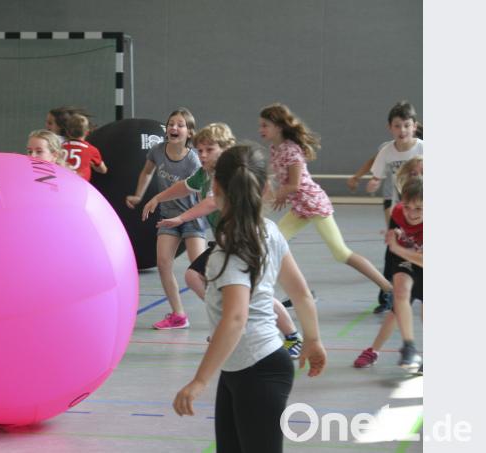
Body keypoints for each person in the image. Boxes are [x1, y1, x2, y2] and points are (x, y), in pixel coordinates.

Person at [172, 145, 326, 453]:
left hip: (259, 368)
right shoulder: (267, 230)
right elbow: (301, 293)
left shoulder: (233, 248)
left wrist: (200, 380)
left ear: (215, 188)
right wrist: (312, 338)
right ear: (266, 187)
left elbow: (236, 318)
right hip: (241, 367)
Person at [147, 123, 305, 358]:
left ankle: (292, 336)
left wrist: (181, 217)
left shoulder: (227, 174)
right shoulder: (204, 173)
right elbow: (185, 187)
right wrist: (159, 197)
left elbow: (211, 202)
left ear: (225, 149)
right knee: (196, 277)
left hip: (242, 238)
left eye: (209, 150)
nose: (202, 155)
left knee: (253, 292)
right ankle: (229, 324)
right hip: (225, 240)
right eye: (199, 150)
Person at [260, 103, 392, 296]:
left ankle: (390, 289)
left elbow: (295, 185)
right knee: (273, 243)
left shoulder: (291, 151)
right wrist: (282, 193)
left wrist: (273, 195)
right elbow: (286, 181)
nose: (261, 130)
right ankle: (300, 292)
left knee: (341, 253)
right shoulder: (275, 148)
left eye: (265, 125)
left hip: (314, 204)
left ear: (278, 127)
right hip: (300, 207)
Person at [126, 108, 207, 330]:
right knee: (163, 263)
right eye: (171, 123)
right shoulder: (157, 151)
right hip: (168, 216)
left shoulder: (193, 160)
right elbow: (147, 172)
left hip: (191, 218)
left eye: (180, 125)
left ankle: (221, 312)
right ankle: (178, 315)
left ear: (189, 132)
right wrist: (139, 195)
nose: (174, 128)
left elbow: (199, 191)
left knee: (199, 269)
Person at [354, 163, 423, 371]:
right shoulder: (399, 211)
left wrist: (397, 247)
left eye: (419, 209)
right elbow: (394, 243)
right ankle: (407, 346)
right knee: (400, 295)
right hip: (406, 259)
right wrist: (395, 242)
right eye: (408, 207)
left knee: (399, 313)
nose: (412, 213)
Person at [62, 113, 107, 181]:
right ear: (87, 132)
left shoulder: (60, 146)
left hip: (62, 182)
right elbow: (103, 170)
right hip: (81, 186)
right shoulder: (91, 150)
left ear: (67, 131)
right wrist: (92, 164)